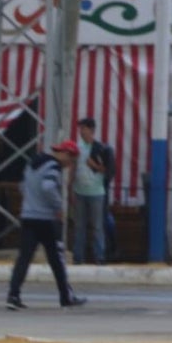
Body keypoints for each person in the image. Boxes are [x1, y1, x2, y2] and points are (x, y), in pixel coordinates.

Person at [7, 140, 87, 310]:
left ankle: (13, 295)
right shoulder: (53, 167)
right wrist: (58, 207)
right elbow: (48, 187)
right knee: (56, 260)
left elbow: (22, 186)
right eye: (71, 160)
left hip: (28, 216)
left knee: (24, 258)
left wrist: (31, 203)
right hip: (46, 219)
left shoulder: (33, 163)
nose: (69, 165)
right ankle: (66, 296)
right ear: (65, 154)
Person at [72, 117, 114, 265]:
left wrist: (94, 165)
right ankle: (78, 257)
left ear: (91, 130)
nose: (81, 132)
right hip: (79, 190)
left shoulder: (100, 148)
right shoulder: (77, 148)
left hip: (96, 192)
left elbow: (107, 170)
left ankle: (99, 256)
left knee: (97, 226)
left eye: (83, 129)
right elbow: (74, 167)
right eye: (80, 129)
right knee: (79, 226)